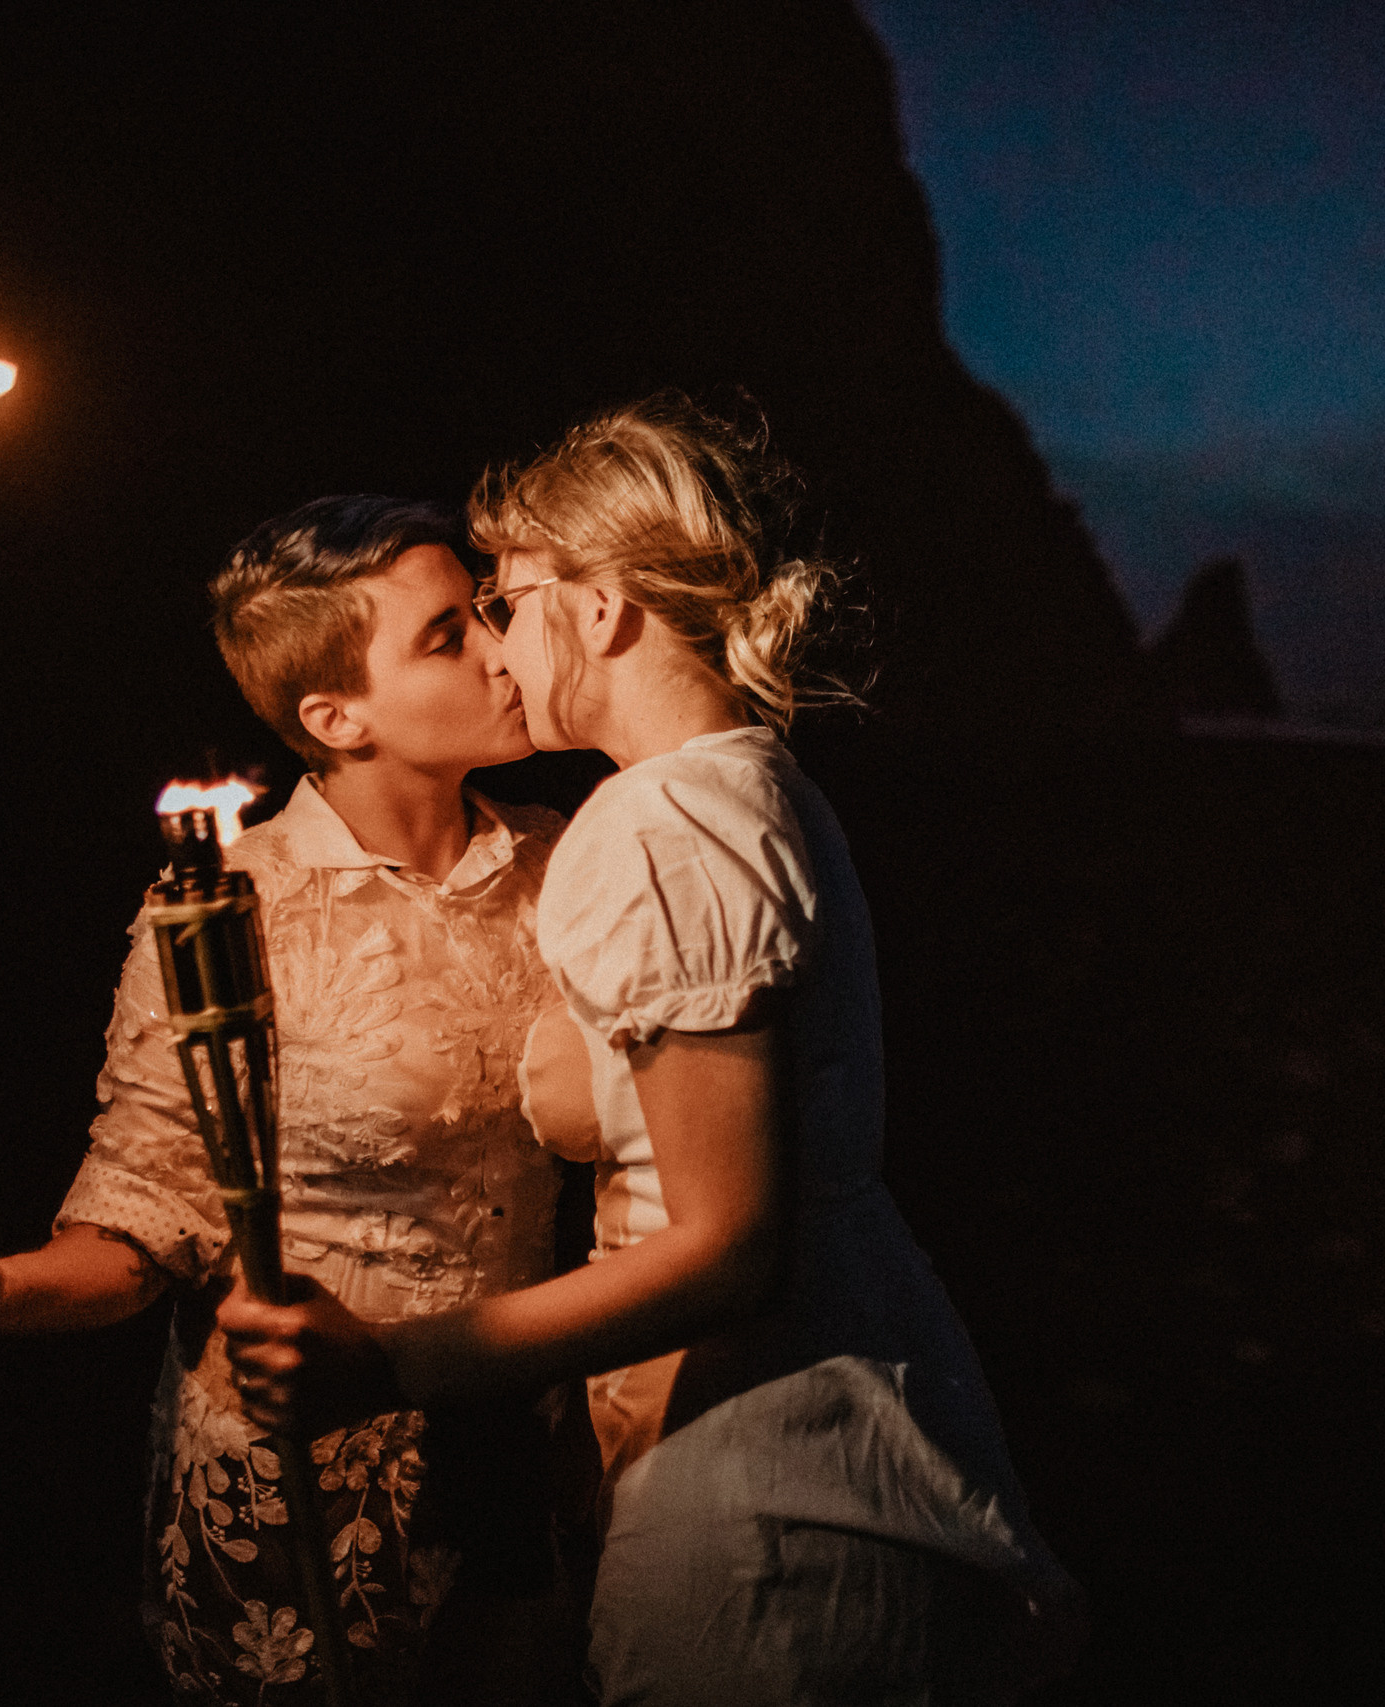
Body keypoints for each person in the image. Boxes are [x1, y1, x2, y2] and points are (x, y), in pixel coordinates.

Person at [220, 397, 1085, 1704]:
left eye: (507, 600)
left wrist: (391, 1365)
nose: (500, 649)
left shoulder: (662, 822)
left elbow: (728, 1242)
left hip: (771, 1483)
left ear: (606, 606)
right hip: (820, 1409)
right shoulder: (744, 784)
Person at [0, 495, 592, 1704]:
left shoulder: (565, 860)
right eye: (448, 633)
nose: (505, 647)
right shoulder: (226, 908)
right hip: (298, 1478)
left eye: (486, 612)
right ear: (333, 715)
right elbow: (147, 1212)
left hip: (521, 1451)